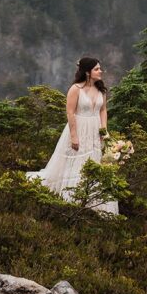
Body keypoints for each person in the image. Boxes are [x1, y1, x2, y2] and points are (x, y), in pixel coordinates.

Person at [27, 56, 118, 214]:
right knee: (76, 161)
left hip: (95, 130)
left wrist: (104, 130)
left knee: (94, 162)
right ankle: (71, 198)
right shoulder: (76, 89)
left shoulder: (101, 89)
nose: (100, 71)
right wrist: (74, 136)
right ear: (88, 72)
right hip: (78, 127)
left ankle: (93, 201)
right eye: (96, 69)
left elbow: (103, 110)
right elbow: (70, 112)